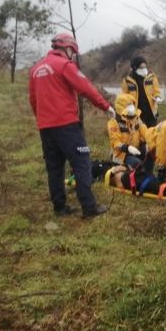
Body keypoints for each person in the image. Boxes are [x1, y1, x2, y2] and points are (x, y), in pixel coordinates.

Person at [28, 33, 114, 218]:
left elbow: (33, 100)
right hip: (66, 125)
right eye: (72, 52)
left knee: (54, 167)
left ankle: (59, 207)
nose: (72, 55)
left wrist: (42, 119)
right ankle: (89, 208)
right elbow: (85, 87)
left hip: (46, 127)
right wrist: (105, 106)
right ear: (68, 49)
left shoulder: (35, 69)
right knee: (82, 163)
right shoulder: (65, 65)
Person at [107, 93, 148, 170]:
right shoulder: (114, 122)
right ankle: (135, 177)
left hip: (136, 151)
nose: (132, 107)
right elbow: (115, 142)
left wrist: (151, 141)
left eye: (132, 104)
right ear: (121, 107)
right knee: (137, 163)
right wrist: (127, 148)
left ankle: (147, 175)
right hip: (121, 155)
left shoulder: (137, 119)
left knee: (151, 155)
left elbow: (145, 133)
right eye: (128, 105)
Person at [121, 56, 162, 128]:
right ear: (135, 67)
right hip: (137, 112)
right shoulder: (127, 80)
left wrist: (157, 97)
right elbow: (124, 96)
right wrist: (129, 105)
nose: (144, 69)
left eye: (145, 67)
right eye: (141, 67)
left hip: (151, 111)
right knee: (141, 134)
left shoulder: (151, 76)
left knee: (153, 133)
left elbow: (156, 89)